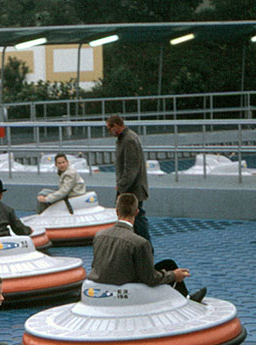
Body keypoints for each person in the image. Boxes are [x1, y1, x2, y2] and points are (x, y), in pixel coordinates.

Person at [87, 193, 207, 302]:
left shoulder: (99, 235)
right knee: (169, 266)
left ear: (117, 211)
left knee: (167, 264)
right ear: (136, 212)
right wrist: (174, 275)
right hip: (128, 287)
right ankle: (187, 298)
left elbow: (95, 265)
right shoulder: (139, 242)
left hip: (101, 283)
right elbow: (150, 279)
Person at [106, 115, 151, 243]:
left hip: (133, 188)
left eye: (109, 128)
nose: (109, 131)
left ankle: (145, 247)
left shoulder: (129, 140)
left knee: (138, 220)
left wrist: (121, 186)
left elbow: (131, 168)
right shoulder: (125, 138)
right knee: (136, 219)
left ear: (116, 125)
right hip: (131, 187)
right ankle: (142, 247)